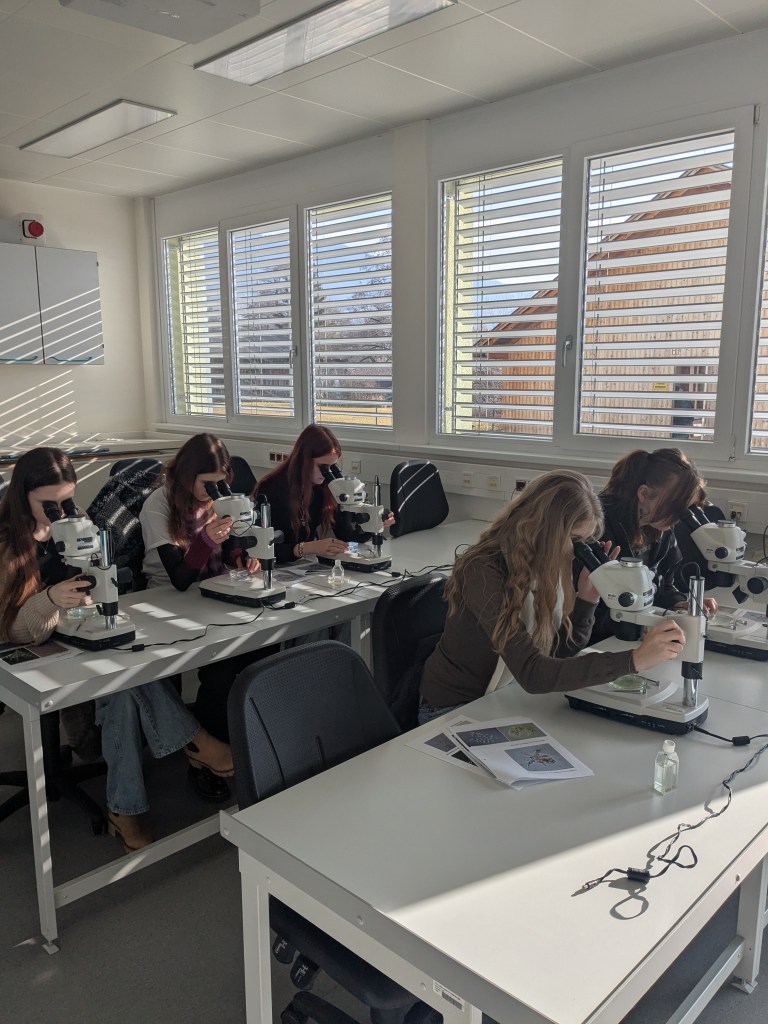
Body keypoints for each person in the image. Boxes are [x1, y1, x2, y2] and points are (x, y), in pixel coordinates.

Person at [0, 448, 234, 853]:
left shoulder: (74, 523)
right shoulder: (7, 543)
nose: (62, 512)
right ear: (22, 496)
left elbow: (94, 583)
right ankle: (195, 741)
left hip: (70, 635)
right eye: (50, 505)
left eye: (67, 501)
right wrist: (50, 600)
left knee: (125, 682)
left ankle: (125, 811)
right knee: (123, 685)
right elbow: (11, 632)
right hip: (24, 647)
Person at [418, 470, 687, 723]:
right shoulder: (483, 569)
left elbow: (557, 653)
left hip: (506, 695)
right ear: (545, 530)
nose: (575, 551)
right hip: (454, 708)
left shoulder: (546, 565)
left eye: (584, 542)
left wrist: (587, 599)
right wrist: (634, 660)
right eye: (574, 539)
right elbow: (532, 673)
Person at [140, 433, 275, 744]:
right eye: (207, 483)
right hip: (169, 600)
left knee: (264, 648)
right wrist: (205, 540)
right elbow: (180, 578)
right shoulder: (158, 504)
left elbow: (226, 552)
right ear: (188, 475)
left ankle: (250, 737)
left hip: (213, 593)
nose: (213, 490)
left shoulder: (217, 500)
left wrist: (242, 557)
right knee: (222, 670)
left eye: (220, 482)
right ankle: (211, 748)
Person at [592, 448, 718, 644]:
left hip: (631, 639)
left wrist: (679, 604)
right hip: (598, 640)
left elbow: (662, 586)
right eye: (677, 507)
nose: (680, 517)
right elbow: (583, 606)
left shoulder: (660, 528)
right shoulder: (597, 527)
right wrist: (643, 624)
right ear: (644, 493)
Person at [254, 423, 393, 563]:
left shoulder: (325, 487)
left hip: (305, 565)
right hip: (275, 567)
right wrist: (306, 548)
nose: (327, 473)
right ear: (304, 460)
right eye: (323, 467)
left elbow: (348, 537)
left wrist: (372, 523)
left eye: (333, 467)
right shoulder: (270, 489)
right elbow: (260, 549)